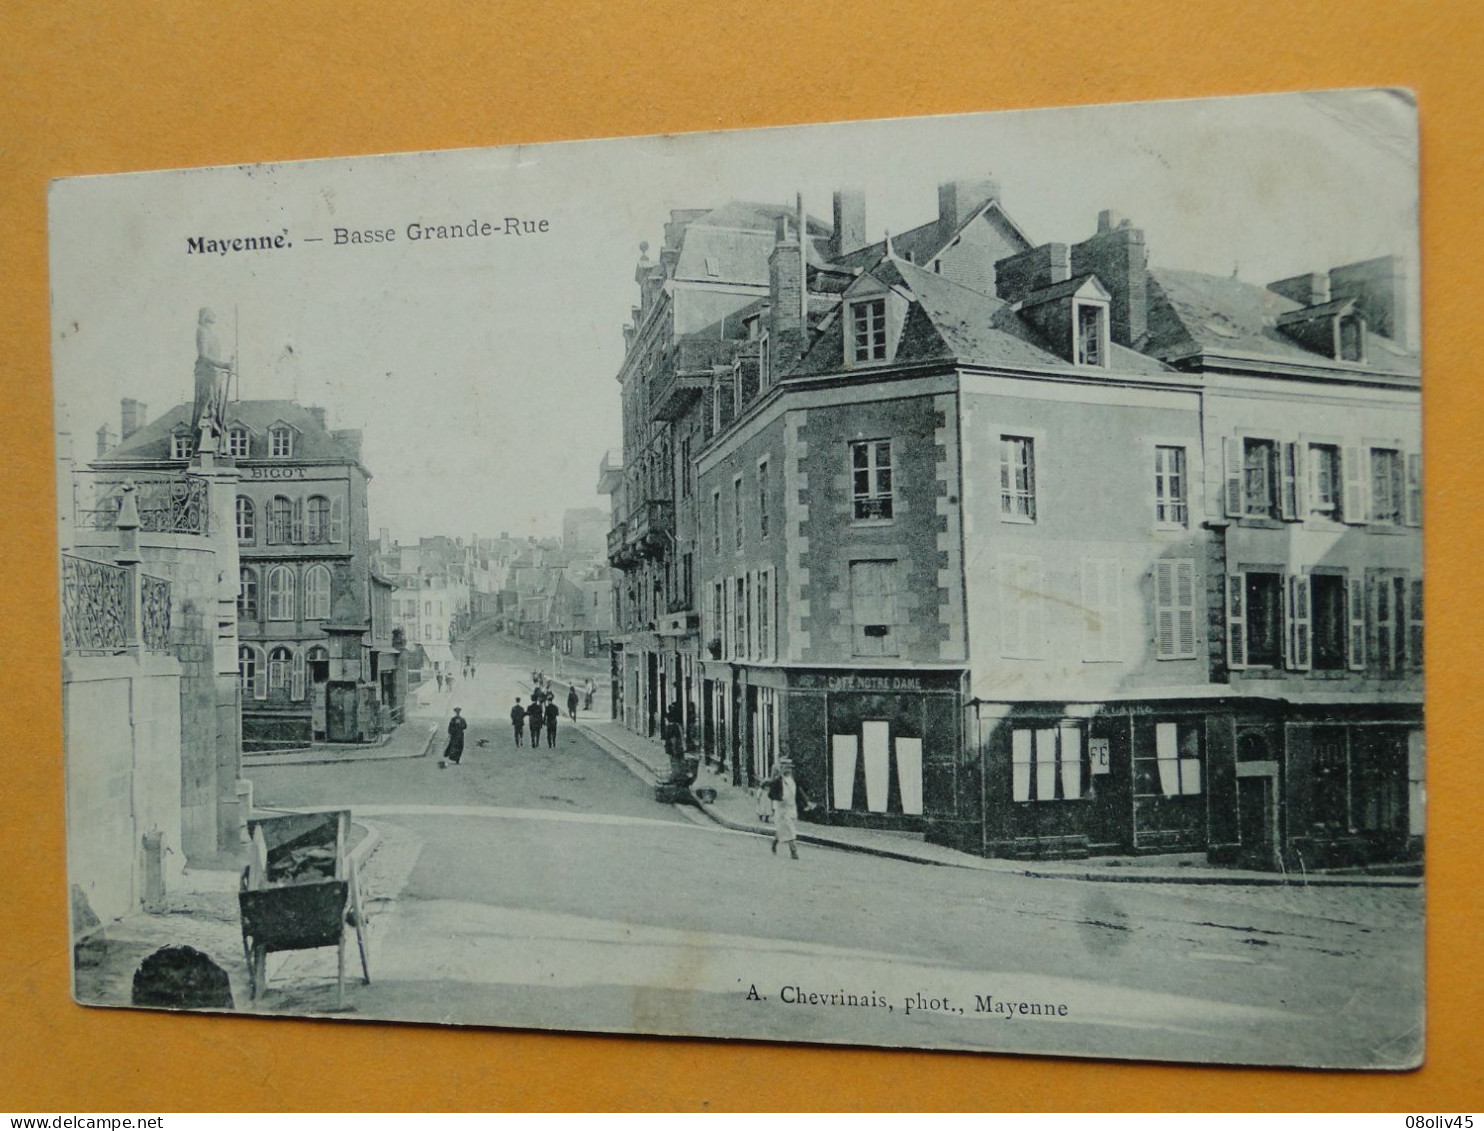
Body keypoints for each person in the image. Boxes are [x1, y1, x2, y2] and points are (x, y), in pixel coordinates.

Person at [761, 757, 814, 860]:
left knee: (783, 829)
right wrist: (779, 797)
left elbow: (799, 792)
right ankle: (794, 852)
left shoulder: (793, 780)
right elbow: (770, 793)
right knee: (790, 829)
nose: (788, 770)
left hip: (791, 808)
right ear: (781, 768)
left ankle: (775, 842)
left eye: (789, 768)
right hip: (782, 809)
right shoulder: (778, 781)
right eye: (785, 768)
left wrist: (807, 802)